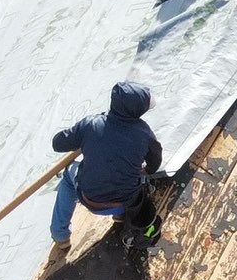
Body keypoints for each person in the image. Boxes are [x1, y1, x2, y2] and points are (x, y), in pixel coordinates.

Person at [50, 81, 162, 254]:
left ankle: (60, 235)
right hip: (126, 203)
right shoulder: (144, 133)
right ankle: (119, 216)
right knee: (136, 176)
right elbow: (155, 163)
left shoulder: (91, 124)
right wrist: (146, 171)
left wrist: (83, 135)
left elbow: (58, 144)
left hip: (91, 199)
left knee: (68, 176)